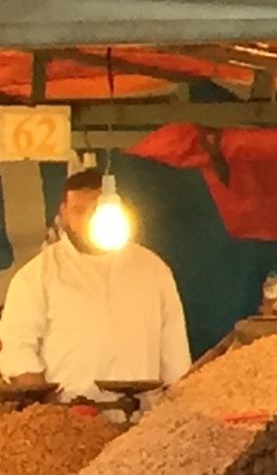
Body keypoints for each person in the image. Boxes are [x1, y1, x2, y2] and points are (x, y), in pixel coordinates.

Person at [0, 166, 192, 401]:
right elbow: (18, 350)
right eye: (79, 211)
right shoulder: (36, 275)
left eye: (97, 210)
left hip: (144, 419)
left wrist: (178, 408)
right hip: (70, 418)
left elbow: (175, 354)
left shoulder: (153, 269)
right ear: (64, 213)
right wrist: (46, 413)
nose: (89, 220)